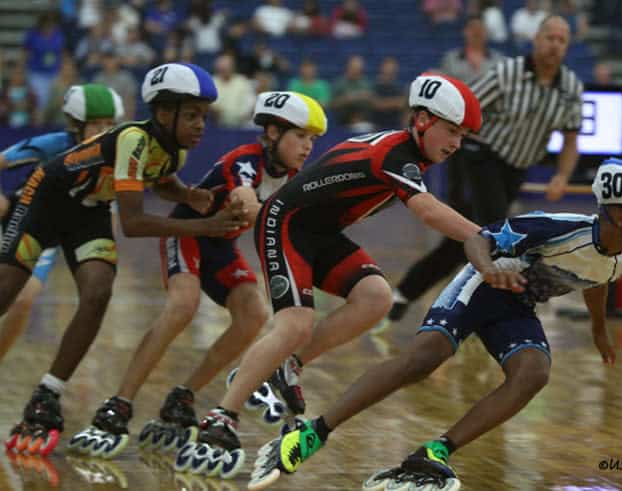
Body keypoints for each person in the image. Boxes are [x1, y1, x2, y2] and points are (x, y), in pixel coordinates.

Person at [250, 158, 622, 490]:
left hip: (515, 304)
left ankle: (434, 453)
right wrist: (488, 270)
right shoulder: (557, 229)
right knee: (425, 359)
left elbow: (597, 278)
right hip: (481, 281)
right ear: (618, 214)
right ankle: (314, 433)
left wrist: (599, 328)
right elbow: (479, 238)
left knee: (533, 373)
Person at [176, 72, 483, 478]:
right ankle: (222, 415)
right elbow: (427, 211)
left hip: (318, 232)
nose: (456, 143)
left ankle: (288, 365)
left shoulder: (406, 154)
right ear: (423, 120)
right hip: (286, 224)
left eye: (462, 135)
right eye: (450, 131)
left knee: (376, 297)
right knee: (296, 322)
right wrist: (484, 238)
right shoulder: (396, 154)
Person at [69, 91, 328, 463]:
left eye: (313, 140)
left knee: (253, 315)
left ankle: (183, 395)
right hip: (189, 233)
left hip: (219, 245)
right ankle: (120, 402)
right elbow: (244, 200)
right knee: (182, 306)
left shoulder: (290, 176)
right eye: (301, 136)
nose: (308, 147)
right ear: (271, 132)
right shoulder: (245, 161)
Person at [3, 63, 246, 457]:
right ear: (163, 114)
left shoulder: (175, 152)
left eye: (203, 116)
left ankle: (48, 393)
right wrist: (207, 227)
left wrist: (188, 197)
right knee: (6, 292)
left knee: (97, 293)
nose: (201, 124)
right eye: (191, 115)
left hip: (88, 211)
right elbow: (133, 223)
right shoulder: (133, 138)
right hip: (44, 201)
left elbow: (162, 180)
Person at [386, 15, 583, 327]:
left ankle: (404, 294)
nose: (554, 45)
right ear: (536, 40)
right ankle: (493, 311)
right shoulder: (508, 73)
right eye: (550, 38)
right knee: (497, 233)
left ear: (568, 47)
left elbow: (571, 139)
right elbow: (464, 106)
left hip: (516, 170)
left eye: (562, 40)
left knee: (462, 239)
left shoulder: (571, 87)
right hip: (481, 157)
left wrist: (562, 175)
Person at [0, 84, 124, 363]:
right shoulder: (56, 144)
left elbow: (110, 208)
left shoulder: (116, 154)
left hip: (47, 234)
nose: (104, 131)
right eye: (96, 124)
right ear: (75, 125)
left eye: (109, 124)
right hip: (20, 217)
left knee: (23, 299)